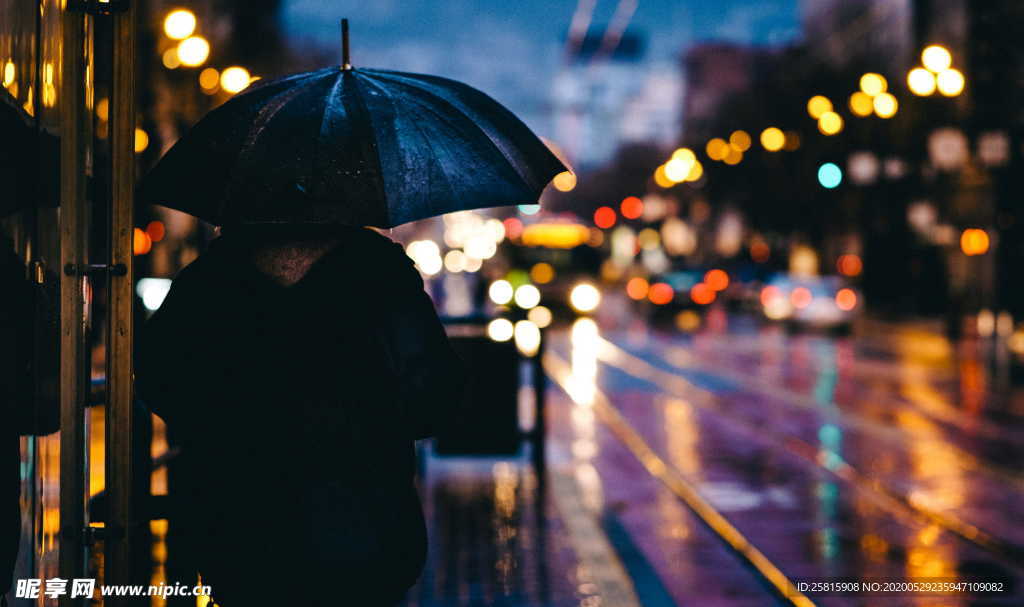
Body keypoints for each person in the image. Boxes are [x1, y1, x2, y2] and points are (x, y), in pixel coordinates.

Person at [135, 224, 465, 606]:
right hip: (365, 521)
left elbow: (160, 376)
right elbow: (435, 393)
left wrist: (227, 429)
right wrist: (370, 425)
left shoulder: (214, 273)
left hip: (242, 524)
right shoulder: (378, 269)